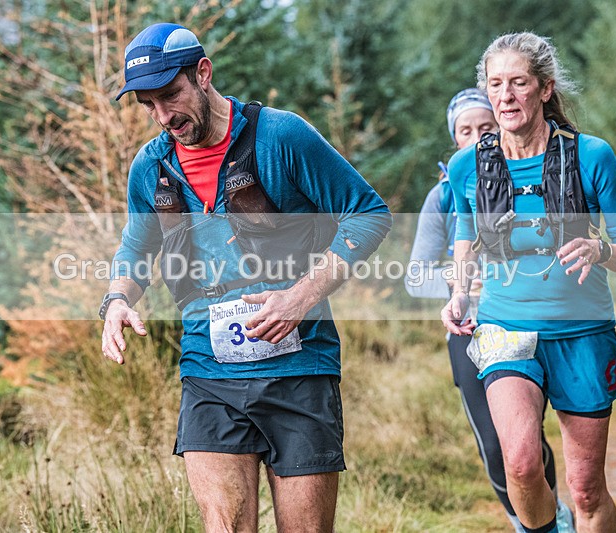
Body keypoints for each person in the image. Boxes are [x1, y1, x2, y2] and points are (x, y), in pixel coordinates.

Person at [100, 22, 391, 532]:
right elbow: (136, 246)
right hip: (208, 371)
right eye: (149, 105)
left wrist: (303, 295)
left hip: (300, 366)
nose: (163, 116)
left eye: (171, 95)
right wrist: (117, 300)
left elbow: (368, 213)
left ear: (204, 73)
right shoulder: (150, 167)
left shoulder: (282, 136)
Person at [442, 32, 616, 533]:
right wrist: (460, 292)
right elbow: (466, 238)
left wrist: (600, 250)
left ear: (545, 88)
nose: (506, 96)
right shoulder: (468, 165)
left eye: (519, 83)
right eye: (496, 85)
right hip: (506, 329)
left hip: (582, 332)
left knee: (585, 489)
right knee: (522, 464)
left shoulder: (592, 156)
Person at [406, 88, 574, 532]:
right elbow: (413, 277)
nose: (478, 136)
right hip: (468, 332)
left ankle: (554, 518)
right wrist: (457, 279)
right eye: (466, 130)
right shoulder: (442, 198)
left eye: (486, 127)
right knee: (496, 449)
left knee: (525, 442)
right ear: (455, 139)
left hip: (530, 322)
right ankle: (526, 521)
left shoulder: (532, 178)